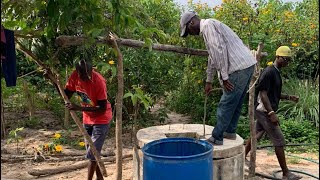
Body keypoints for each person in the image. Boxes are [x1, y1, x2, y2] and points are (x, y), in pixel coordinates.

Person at [180, 11, 256, 145]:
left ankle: (217, 137)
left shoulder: (208, 26)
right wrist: (209, 81)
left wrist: (225, 78)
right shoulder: (209, 28)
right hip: (246, 65)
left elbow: (219, 51)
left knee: (226, 103)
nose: (190, 34)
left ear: (191, 22)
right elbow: (213, 56)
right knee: (236, 102)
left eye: (188, 30)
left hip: (238, 67)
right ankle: (230, 132)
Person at [244, 46, 302, 180]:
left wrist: (289, 97)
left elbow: (272, 93)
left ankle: (243, 156)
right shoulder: (269, 72)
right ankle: (286, 174)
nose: (287, 62)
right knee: (279, 140)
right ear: (277, 57)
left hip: (264, 110)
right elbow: (263, 93)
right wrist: (271, 113)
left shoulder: (276, 72)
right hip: (264, 111)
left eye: (289, 60)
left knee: (257, 134)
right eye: (285, 59)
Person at [64, 59, 112, 180]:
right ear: (77, 72)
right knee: (92, 152)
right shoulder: (74, 76)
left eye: (88, 74)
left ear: (92, 70)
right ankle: (100, 177)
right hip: (87, 119)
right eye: (83, 75)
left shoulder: (99, 81)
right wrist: (53, 81)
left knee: (92, 154)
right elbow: (66, 94)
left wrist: (78, 108)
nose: (86, 77)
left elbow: (102, 108)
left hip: (101, 119)